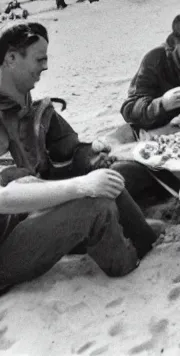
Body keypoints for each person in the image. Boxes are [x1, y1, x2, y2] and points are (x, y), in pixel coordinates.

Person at [0, 23, 159, 291]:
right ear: (11, 58)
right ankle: (129, 261)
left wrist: (91, 154)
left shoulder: (32, 111)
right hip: (6, 243)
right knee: (98, 205)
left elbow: (71, 150)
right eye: (39, 59)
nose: (45, 66)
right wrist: (81, 186)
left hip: (35, 211)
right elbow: (4, 199)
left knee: (121, 173)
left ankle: (143, 236)